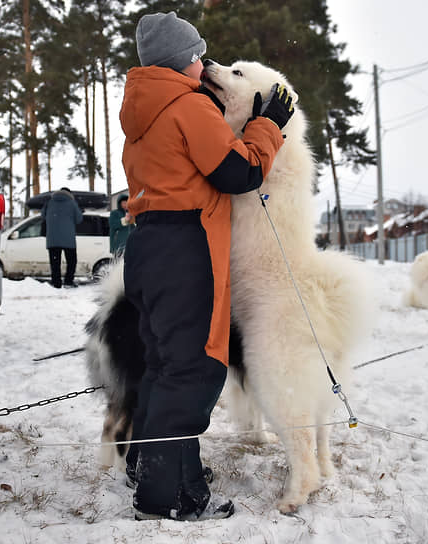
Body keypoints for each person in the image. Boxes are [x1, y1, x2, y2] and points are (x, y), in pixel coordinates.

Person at [119, 11, 294, 521]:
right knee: (193, 368)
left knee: (163, 364)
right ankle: (168, 496)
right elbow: (237, 172)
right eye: (197, 55)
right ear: (183, 62)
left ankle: (155, 465)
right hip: (185, 247)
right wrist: (267, 127)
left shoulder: (142, 108)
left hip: (148, 246)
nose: (203, 63)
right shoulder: (187, 106)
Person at [42, 187, 83, 288]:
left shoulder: (49, 202)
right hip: (68, 238)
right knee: (71, 261)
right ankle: (68, 281)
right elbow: (79, 219)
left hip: (52, 239)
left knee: (55, 262)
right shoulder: (72, 203)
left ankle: (56, 282)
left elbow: (43, 215)